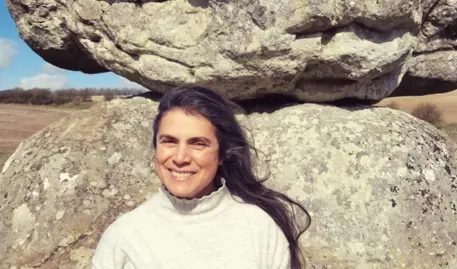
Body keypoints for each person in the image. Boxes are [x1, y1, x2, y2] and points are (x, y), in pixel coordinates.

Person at [91, 86, 311, 269]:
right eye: (169, 141)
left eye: (198, 143)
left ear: (222, 153)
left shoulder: (260, 229)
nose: (180, 157)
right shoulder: (123, 236)